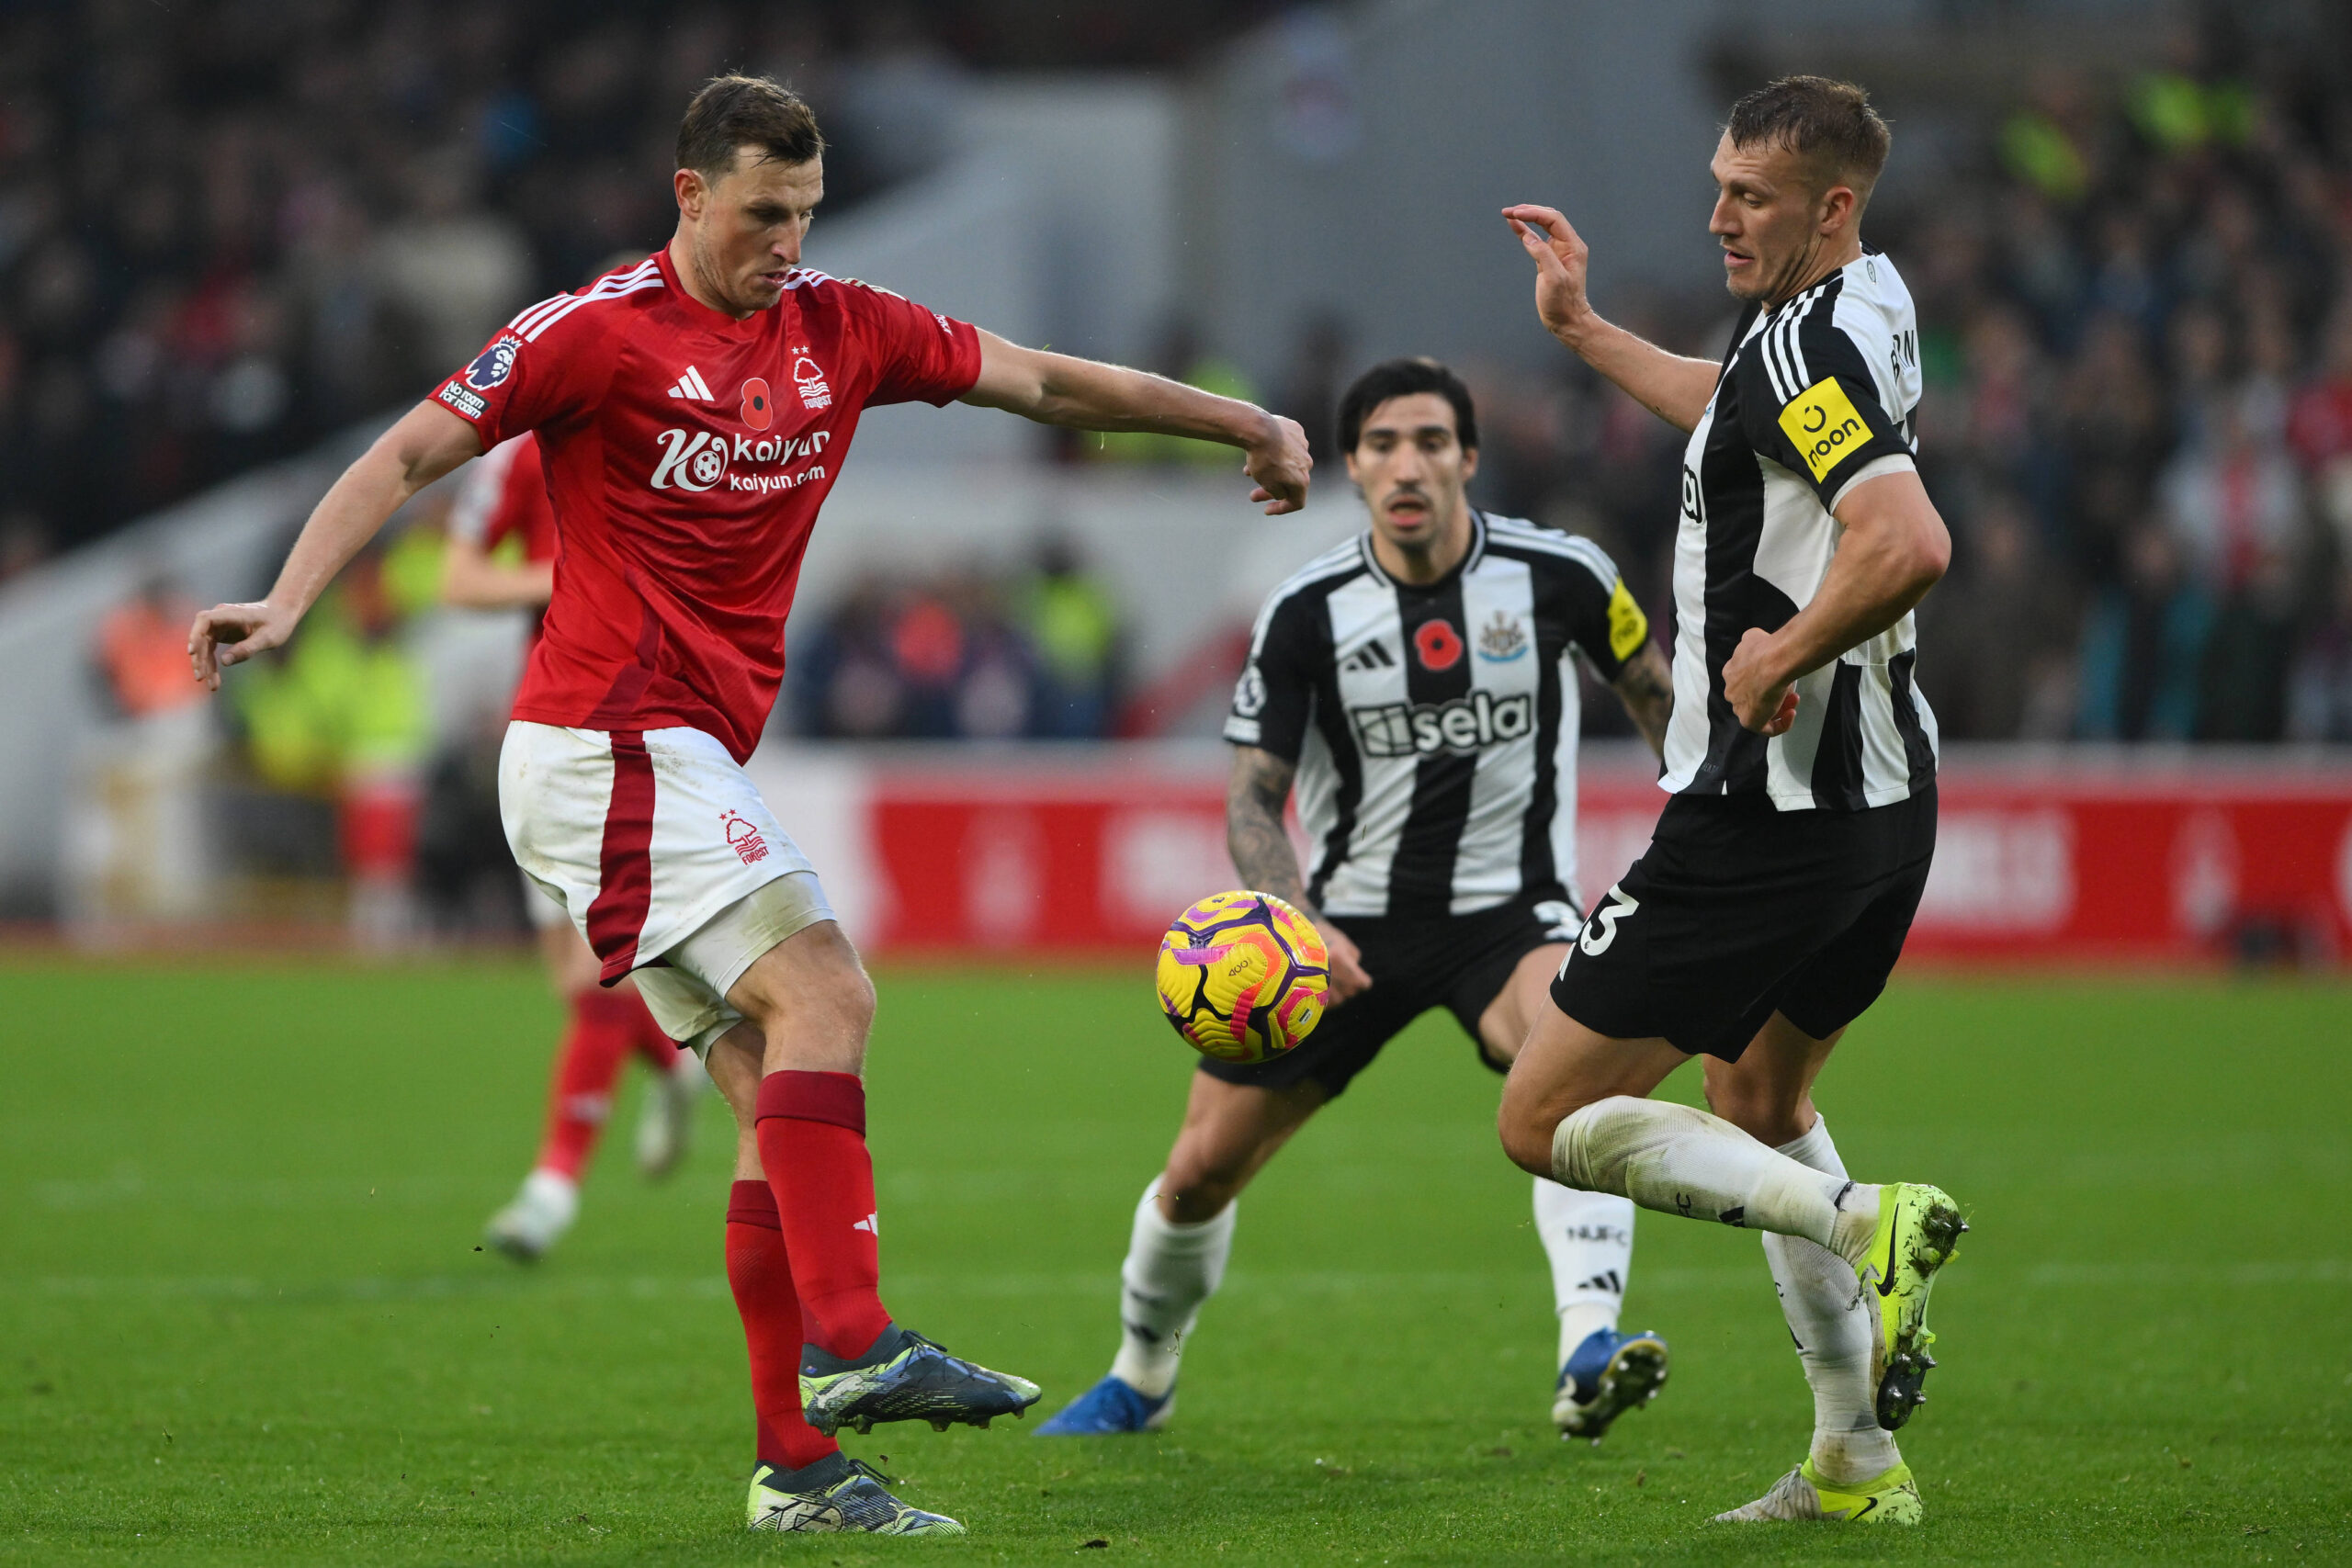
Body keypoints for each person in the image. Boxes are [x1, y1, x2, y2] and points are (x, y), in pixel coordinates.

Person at [189, 73, 1310, 1538]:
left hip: (672, 753)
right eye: (764, 213)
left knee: (761, 1091)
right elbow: (411, 450)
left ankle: (798, 1467)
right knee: (831, 992)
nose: (789, 240)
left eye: (807, 212)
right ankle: (857, 1342)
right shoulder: (593, 331)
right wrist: (289, 599)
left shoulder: (843, 328)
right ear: (690, 194)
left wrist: (1241, 422)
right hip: (605, 737)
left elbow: (1041, 379)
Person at [1036, 357, 1680, 1444]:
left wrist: (1714, 831)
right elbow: (1252, 798)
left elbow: (1660, 702)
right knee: (1196, 1175)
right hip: (1341, 929)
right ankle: (1141, 1376)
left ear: (1467, 457)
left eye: (1431, 440)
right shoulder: (1308, 610)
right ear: (1353, 467)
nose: (1407, 464)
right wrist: (1292, 921)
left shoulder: (1560, 576)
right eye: (1382, 444)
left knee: (1568, 1092)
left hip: (1511, 914)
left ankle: (1586, 1350)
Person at [1494, 75, 1963, 1527]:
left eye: (1748, 197)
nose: (1716, 216)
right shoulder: (1861, 307)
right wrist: (1584, 334)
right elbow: (1741, 413)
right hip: (1886, 800)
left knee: (1543, 1114)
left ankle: (1857, 1220)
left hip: (1764, 814)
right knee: (1759, 1093)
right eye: (1716, 185)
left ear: (1831, 206)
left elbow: (1908, 536)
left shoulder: (1809, 333)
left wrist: (1786, 641)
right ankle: (1853, 1463)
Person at [444, 428, 709, 1261]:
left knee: (597, 977)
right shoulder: (520, 450)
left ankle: (551, 1188)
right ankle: (675, 1061)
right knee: (576, 977)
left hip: (652, 726)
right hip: (550, 730)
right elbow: (460, 576)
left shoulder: (683, 431)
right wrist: (566, 576)